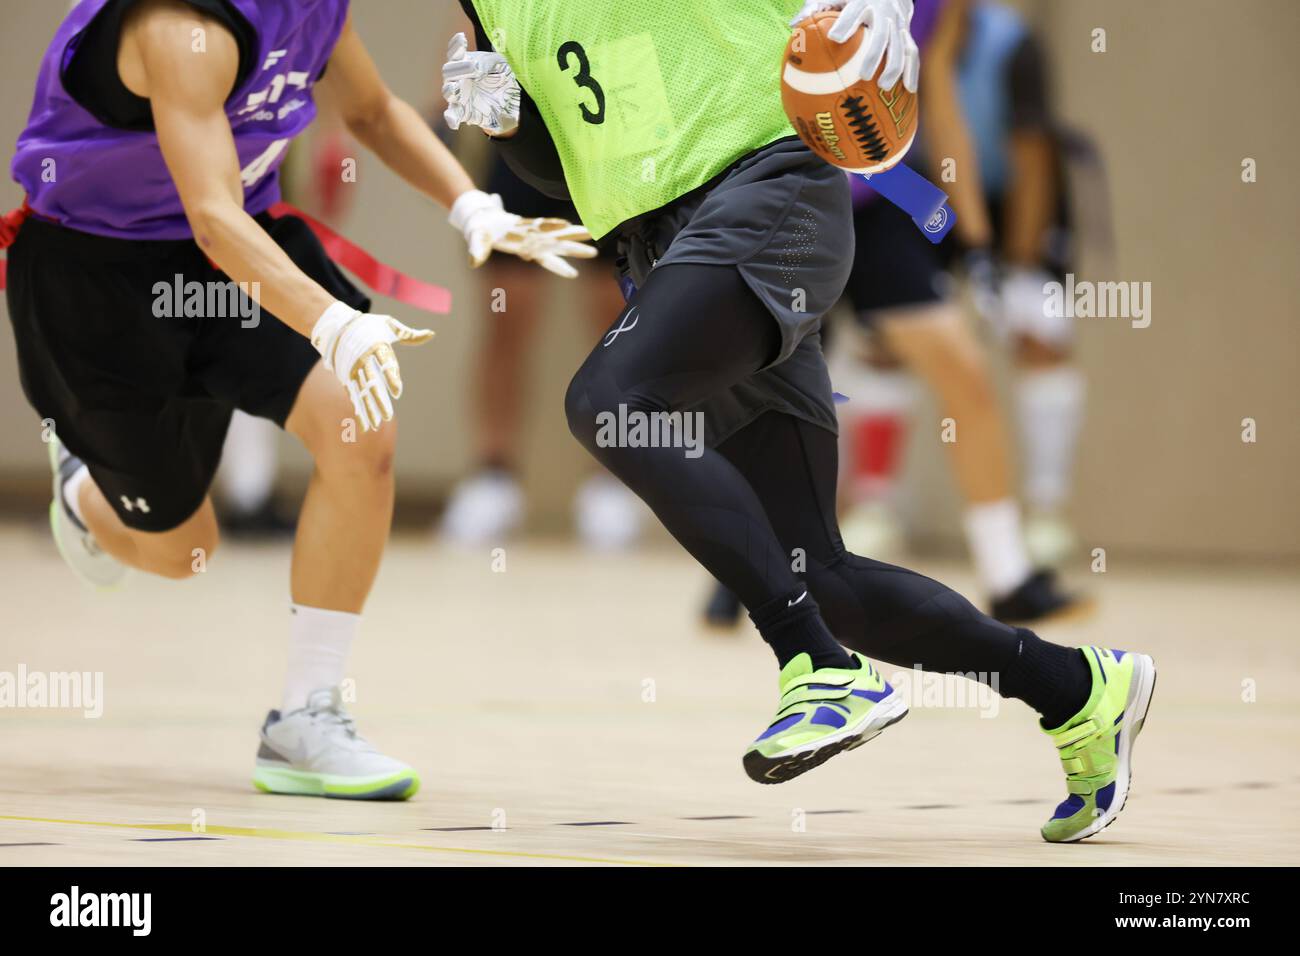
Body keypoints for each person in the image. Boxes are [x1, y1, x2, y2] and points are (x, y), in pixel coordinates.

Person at [444, 0, 1155, 842]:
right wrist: (501, 113)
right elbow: (571, 162)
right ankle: (1078, 689)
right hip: (666, 248)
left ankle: (814, 665)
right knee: (823, 576)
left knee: (608, 402)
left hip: (765, 192)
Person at [3, 0, 592, 799]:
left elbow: (375, 111)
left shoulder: (316, 8)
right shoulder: (184, 29)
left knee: (361, 426)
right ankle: (82, 491)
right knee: (184, 552)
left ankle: (306, 718)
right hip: (100, 280)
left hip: (240, 249)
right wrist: (335, 324)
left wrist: (474, 206)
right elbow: (209, 218)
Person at [704, 0, 1084, 629]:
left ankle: (1007, 573)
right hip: (786, 188)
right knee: (770, 390)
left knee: (963, 369)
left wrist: (979, 242)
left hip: (885, 190)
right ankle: (743, 571)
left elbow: (937, 97)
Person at [438, 155, 644, 551]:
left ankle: (613, 480)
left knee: (618, 324)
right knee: (505, 317)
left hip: (606, 144)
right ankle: (492, 476)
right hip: (519, 144)